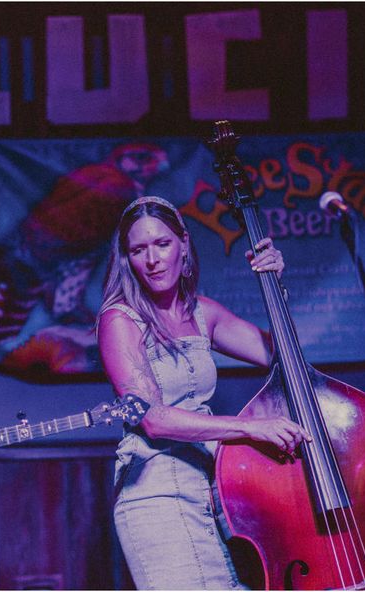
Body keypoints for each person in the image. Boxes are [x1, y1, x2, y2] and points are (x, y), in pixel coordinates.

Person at [97, 196, 310, 590]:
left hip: (214, 496)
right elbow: (152, 419)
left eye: (162, 244)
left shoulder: (202, 313)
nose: (152, 260)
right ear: (127, 259)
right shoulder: (119, 319)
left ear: (183, 243)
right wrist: (250, 427)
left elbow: (283, 355)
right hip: (157, 496)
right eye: (138, 250)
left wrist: (274, 285)